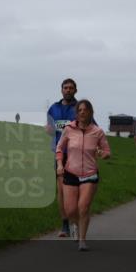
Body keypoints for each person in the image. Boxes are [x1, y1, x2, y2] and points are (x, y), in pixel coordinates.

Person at [55, 99, 110, 251]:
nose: (82, 112)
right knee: (70, 210)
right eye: (79, 110)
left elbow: (107, 152)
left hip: (90, 174)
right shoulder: (69, 129)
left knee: (83, 207)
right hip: (71, 172)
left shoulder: (97, 132)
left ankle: (82, 240)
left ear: (91, 112)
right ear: (76, 113)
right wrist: (60, 165)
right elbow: (59, 149)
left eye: (85, 110)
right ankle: (73, 227)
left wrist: (102, 154)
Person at [46, 78, 78, 238]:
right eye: (65, 88)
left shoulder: (81, 108)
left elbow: (93, 127)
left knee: (76, 190)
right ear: (61, 90)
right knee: (62, 190)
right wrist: (49, 130)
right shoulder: (53, 109)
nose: (68, 90)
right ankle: (65, 224)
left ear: (75, 91)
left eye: (71, 88)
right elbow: (50, 130)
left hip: (77, 154)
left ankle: (76, 221)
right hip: (60, 154)